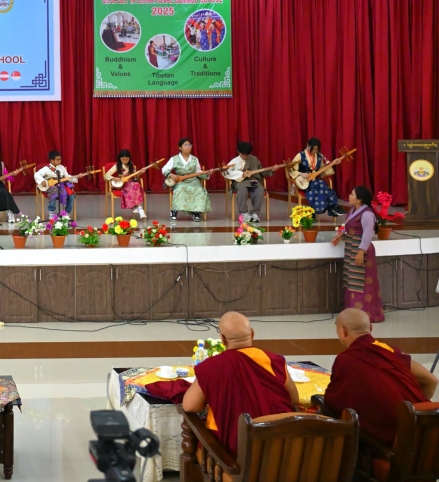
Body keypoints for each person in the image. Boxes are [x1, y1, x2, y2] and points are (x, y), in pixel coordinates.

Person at [182, 312, 299, 456]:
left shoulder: (212, 366)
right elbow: (293, 399)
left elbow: (190, 406)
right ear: (252, 333)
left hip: (233, 455)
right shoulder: (273, 360)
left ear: (222, 339)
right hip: (281, 450)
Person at [323, 308, 436, 445]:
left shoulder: (345, 360)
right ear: (370, 328)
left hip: (393, 443)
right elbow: (432, 380)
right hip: (427, 436)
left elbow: (333, 403)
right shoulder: (389, 350)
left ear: (343, 331)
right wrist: (417, 409)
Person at [330, 186, 385, 322]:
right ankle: (352, 313)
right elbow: (349, 227)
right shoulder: (353, 210)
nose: (349, 196)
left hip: (360, 249)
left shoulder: (366, 214)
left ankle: (367, 314)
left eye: (352, 194)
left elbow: (367, 233)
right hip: (351, 247)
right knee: (351, 279)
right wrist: (340, 236)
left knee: (360, 281)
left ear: (359, 199)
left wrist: (361, 251)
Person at [289, 137, 342, 217]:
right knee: (322, 185)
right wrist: (301, 173)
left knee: (321, 185)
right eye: (313, 149)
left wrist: (333, 164)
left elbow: (322, 172)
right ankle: (333, 207)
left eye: (316, 149)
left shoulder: (319, 157)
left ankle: (313, 212)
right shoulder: (300, 155)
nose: (314, 151)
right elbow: (291, 169)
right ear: (308, 145)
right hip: (303, 181)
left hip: (315, 181)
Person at [162, 138, 212, 221]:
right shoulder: (174, 159)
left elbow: (198, 171)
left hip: (193, 181)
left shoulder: (195, 159)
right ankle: (174, 211)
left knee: (199, 190)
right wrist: (171, 174)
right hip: (180, 181)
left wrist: (207, 173)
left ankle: (196, 212)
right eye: (185, 145)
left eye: (189, 145)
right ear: (180, 148)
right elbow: (164, 169)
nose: (188, 147)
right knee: (180, 189)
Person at [224, 141, 270, 223]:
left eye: (247, 155)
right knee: (242, 190)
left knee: (260, 190)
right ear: (238, 152)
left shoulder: (254, 159)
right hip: (240, 182)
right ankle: (244, 213)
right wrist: (241, 174)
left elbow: (261, 172)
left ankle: (255, 214)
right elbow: (226, 173)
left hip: (253, 180)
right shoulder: (234, 161)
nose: (245, 157)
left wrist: (271, 170)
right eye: (243, 155)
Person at [104, 149, 146, 219]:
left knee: (136, 184)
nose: (125, 161)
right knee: (136, 185)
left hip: (131, 182)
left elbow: (135, 176)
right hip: (123, 184)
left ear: (129, 158)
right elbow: (106, 175)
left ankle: (138, 207)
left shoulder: (131, 164)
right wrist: (114, 178)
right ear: (120, 158)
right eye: (123, 159)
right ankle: (139, 208)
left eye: (126, 159)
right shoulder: (117, 165)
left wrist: (141, 172)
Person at [34, 150, 77, 216]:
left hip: (61, 185)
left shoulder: (61, 167)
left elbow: (67, 177)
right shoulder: (46, 168)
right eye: (57, 159)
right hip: (50, 186)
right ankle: (51, 212)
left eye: (60, 159)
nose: (59, 161)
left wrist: (76, 177)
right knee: (54, 193)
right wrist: (42, 181)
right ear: (52, 161)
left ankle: (66, 213)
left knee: (71, 195)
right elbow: (37, 174)